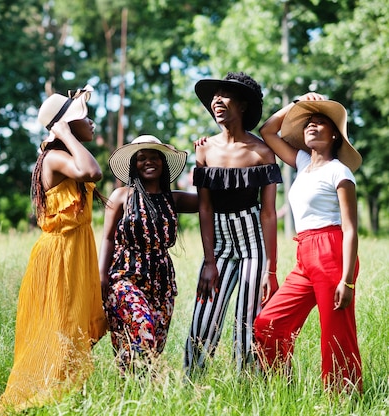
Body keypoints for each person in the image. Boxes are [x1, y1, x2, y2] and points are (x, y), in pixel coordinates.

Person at [0, 85, 107, 414]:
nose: (93, 123)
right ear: (68, 126)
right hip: (60, 255)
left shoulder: (64, 154)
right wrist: (64, 135)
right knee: (60, 328)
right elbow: (93, 171)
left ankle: (69, 400)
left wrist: (67, 134)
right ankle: (43, 401)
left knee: (74, 327)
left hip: (76, 252)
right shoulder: (57, 157)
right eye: (86, 118)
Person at [254, 93, 363, 393]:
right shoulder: (302, 163)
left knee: (336, 332)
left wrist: (348, 280)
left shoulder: (339, 172)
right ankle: (282, 387)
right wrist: (299, 103)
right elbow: (267, 131)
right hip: (305, 252)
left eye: (321, 123)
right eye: (309, 123)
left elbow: (351, 229)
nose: (313, 126)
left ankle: (344, 400)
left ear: (334, 135)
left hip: (333, 251)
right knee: (268, 322)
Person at [184, 72, 283, 374]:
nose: (216, 101)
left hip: (254, 244)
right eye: (214, 96)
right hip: (220, 245)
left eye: (225, 95)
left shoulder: (262, 153)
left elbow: (267, 213)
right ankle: (191, 386)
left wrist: (271, 269)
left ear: (242, 106)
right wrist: (209, 261)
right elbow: (204, 208)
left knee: (247, 320)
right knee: (203, 317)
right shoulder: (203, 149)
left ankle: (247, 389)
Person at [99, 135, 197, 374]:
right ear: (134, 165)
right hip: (125, 276)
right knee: (144, 327)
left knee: (153, 345)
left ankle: (135, 395)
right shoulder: (122, 196)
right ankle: (136, 387)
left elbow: (209, 201)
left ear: (163, 163)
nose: (149, 162)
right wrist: (101, 276)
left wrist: (203, 162)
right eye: (142, 158)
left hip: (161, 280)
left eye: (155, 157)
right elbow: (108, 237)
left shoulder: (174, 199)